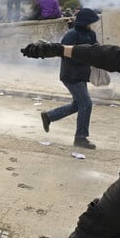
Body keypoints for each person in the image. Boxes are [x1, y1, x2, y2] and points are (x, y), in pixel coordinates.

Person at [20, 39, 120, 238]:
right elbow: (115, 56)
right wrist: (62, 51)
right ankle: (69, 129)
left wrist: (59, 50)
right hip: (73, 78)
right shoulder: (79, 33)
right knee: (83, 104)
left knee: (90, 233)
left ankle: (69, 129)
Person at [38, 8, 100, 149]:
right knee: (86, 104)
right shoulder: (71, 35)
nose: (92, 24)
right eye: (90, 22)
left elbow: (96, 50)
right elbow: (63, 53)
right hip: (71, 75)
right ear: (85, 21)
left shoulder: (91, 34)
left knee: (78, 104)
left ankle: (49, 116)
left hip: (82, 75)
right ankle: (80, 138)